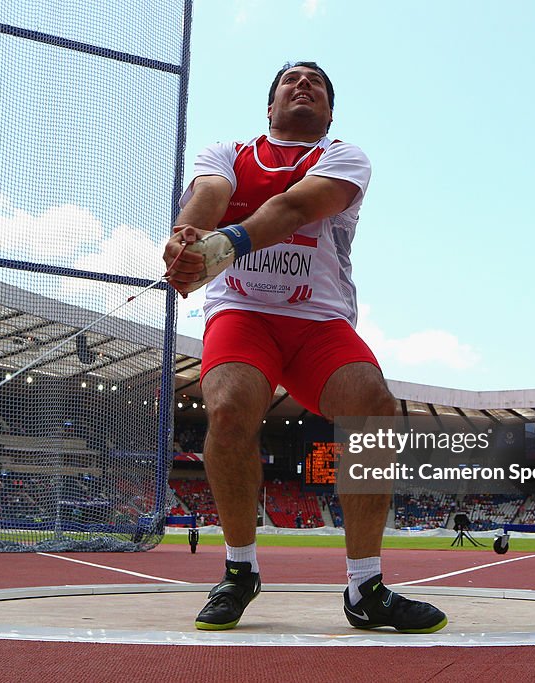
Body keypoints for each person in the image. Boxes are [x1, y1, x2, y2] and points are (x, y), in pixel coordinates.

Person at [163, 61, 447, 634]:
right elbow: (211, 195)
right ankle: (239, 571)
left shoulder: (344, 157)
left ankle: (365, 586)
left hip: (317, 320)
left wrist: (221, 248)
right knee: (227, 407)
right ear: (268, 108)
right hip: (244, 312)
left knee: (372, 408)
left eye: (315, 83)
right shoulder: (227, 153)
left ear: (329, 112)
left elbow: (292, 209)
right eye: (291, 80)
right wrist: (184, 240)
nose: (303, 85)